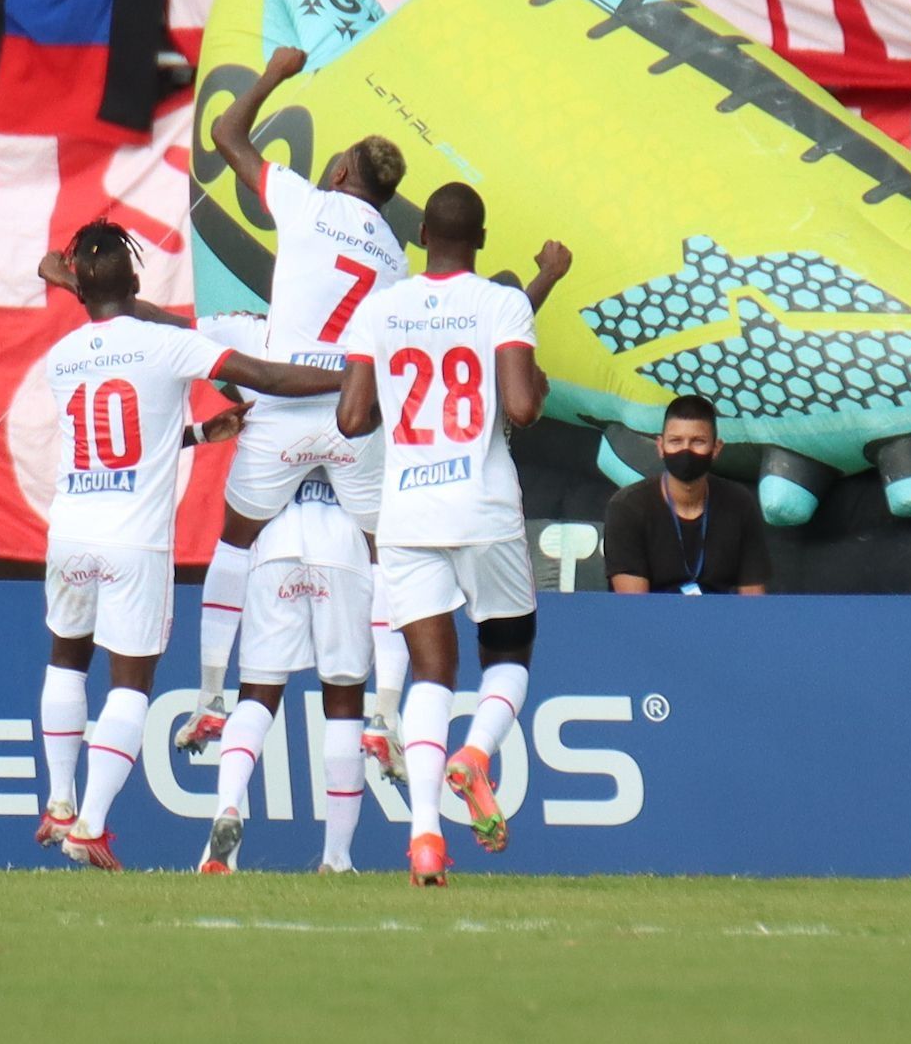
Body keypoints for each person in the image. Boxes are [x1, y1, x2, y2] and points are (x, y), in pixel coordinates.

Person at [34, 220, 343, 871]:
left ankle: (59, 800)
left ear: (81, 287)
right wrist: (355, 380)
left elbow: (122, 441)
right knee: (129, 684)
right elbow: (268, 378)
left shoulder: (61, 358)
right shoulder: (166, 346)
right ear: (139, 280)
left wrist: (203, 436)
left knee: (65, 663)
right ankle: (89, 823)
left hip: (69, 532)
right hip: (133, 546)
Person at [179, 45, 413, 773]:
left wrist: (274, 76)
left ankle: (213, 696)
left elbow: (226, 137)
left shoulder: (308, 203)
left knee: (236, 543)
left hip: (281, 412)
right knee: (386, 560)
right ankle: (383, 714)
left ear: (338, 172)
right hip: (352, 416)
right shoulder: (395, 259)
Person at [336, 181, 559, 887]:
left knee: (431, 673)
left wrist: (397, 410)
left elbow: (350, 420)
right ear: (482, 240)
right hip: (483, 506)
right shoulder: (502, 301)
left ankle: (425, 835)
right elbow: (522, 407)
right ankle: (478, 753)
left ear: (421, 233)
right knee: (509, 652)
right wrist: (539, 386)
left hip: (408, 513)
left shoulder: (381, 309)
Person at [197, 472, 371, 874]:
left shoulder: (270, 407)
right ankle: (337, 857)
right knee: (344, 701)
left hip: (277, 540)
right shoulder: (362, 409)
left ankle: (228, 804)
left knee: (257, 694)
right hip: (344, 544)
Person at [604, 396, 770, 595]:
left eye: (698, 441)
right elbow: (634, 608)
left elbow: (753, 603)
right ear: (660, 446)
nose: (686, 450)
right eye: (676, 441)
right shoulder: (627, 507)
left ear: (716, 448)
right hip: (653, 622)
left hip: (720, 622)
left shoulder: (740, 503)